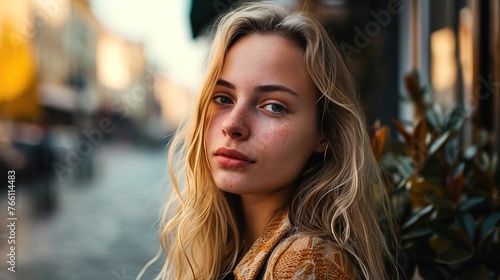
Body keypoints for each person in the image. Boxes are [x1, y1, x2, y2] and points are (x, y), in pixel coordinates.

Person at [154, 2, 400, 279]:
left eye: (274, 106)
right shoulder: (230, 248)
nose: (233, 125)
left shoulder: (307, 261)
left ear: (324, 133)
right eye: (223, 98)